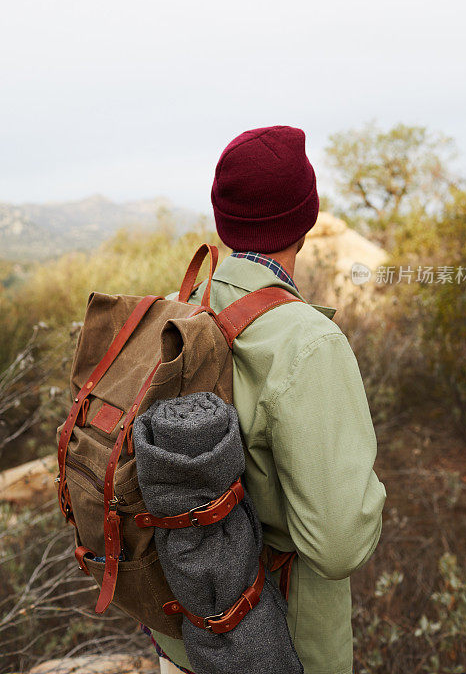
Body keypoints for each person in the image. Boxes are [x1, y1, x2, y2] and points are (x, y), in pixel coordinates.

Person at [146, 125, 386, 674]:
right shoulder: (309, 343)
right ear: (307, 219)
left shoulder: (177, 311)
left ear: (224, 218)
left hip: (186, 637)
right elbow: (339, 545)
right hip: (279, 645)